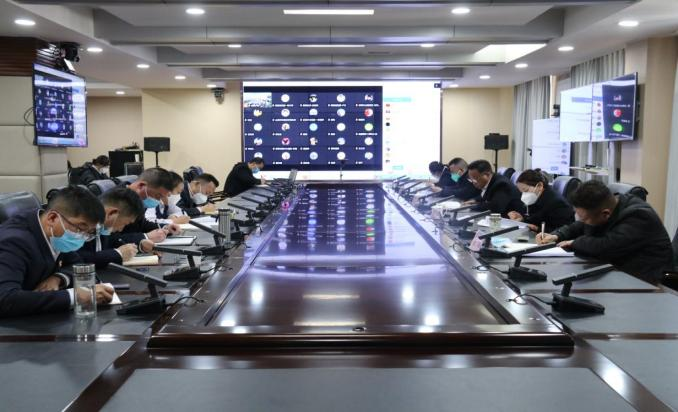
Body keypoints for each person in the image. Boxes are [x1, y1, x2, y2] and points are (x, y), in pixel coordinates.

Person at [0, 186, 113, 317]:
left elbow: (77, 264)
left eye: (89, 232)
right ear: (52, 218)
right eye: (80, 228)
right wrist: (75, 296)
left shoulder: (55, 233)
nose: (82, 237)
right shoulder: (14, 241)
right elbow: (5, 299)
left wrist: (59, 278)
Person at [536, 180, 672, 284]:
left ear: (605, 214)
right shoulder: (607, 207)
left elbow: (605, 246)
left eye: (585, 218)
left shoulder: (639, 216)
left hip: (646, 281)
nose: (582, 221)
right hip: (616, 271)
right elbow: (581, 225)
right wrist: (557, 235)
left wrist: (574, 242)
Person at [77, 187, 145, 269]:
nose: (121, 229)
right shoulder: (80, 223)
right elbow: (77, 258)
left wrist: (141, 245)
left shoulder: (103, 225)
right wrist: (118, 254)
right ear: (112, 213)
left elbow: (114, 241)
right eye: (124, 224)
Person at [118, 167, 181, 247]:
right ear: (141, 186)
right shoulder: (116, 200)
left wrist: (165, 228)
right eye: (158, 196)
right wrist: (145, 237)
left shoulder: (138, 198)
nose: (158, 201)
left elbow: (141, 224)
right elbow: (109, 240)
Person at [507, 169, 574, 233]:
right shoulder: (536, 197)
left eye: (526, 191)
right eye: (521, 192)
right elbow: (534, 219)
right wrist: (522, 219)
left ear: (540, 186)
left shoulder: (557, 203)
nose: (523, 195)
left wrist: (537, 229)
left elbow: (563, 231)